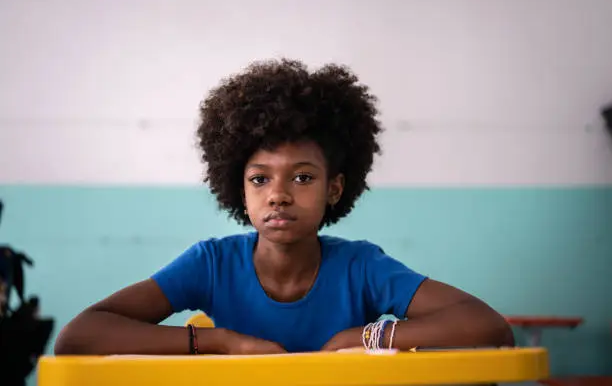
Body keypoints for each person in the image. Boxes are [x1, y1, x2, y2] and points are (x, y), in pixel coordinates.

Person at [54, 59, 514, 355]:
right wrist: (223, 341)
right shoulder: (211, 264)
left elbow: (487, 326)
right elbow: (77, 337)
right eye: (260, 178)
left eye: (302, 177)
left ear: (334, 188)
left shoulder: (361, 267)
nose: (278, 194)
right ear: (240, 188)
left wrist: (362, 336)